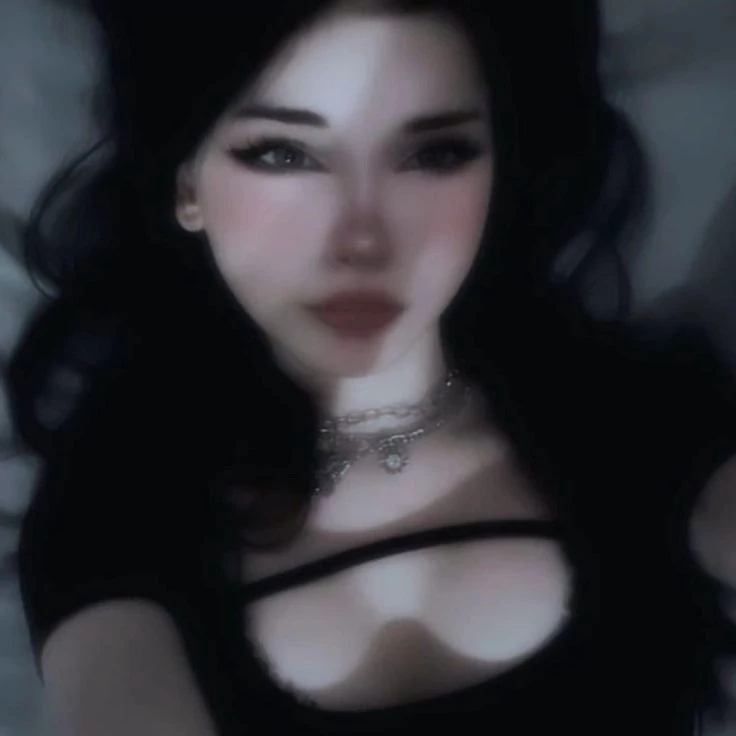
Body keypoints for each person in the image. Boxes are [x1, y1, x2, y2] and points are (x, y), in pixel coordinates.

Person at [5, 1, 736, 734]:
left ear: (499, 170)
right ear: (186, 183)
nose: (362, 241)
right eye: (283, 154)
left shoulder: (636, 414)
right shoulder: (113, 500)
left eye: (434, 153)